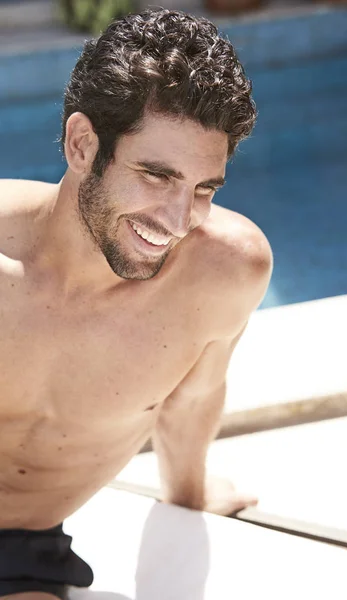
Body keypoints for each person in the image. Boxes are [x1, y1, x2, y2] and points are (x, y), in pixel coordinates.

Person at [0, 7, 272, 600]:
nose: (178, 222)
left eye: (203, 188)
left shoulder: (223, 273)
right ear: (81, 143)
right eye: (155, 174)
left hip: (21, 552)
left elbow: (193, 400)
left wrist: (190, 498)